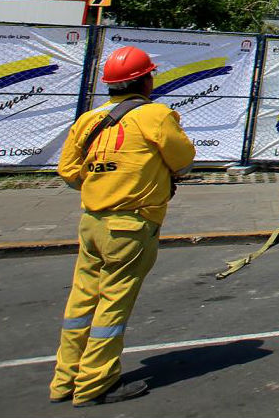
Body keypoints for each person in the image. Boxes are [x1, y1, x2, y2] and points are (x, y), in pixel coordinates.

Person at [52, 45, 195, 407]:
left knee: (82, 300)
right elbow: (184, 159)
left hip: (91, 222)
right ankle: (95, 384)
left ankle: (65, 378)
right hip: (131, 225)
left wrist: (102, 180)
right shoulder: (155, 116)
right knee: (112, 305)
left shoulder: (88, 119)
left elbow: (69, 172)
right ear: (146, 79)